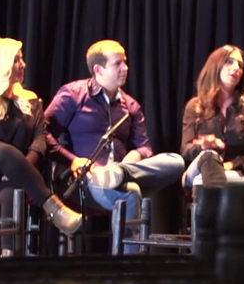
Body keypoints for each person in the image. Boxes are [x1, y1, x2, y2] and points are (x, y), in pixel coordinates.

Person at [44, 40, 185, 249]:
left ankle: (118, 171)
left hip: (121, 174)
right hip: (84, 180)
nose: (125, 68)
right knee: (131, 192)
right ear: (98, 69)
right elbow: (43, 134)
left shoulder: (130, 105)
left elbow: (144, 148)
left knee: (176, 162)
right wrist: (73, 161)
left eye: (125, 62)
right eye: (118, 63)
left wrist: (126, 164)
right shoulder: (73, 95)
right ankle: (128, 267)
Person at [0, 37, 83, 236]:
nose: (23, 64)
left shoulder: (30, 101)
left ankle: (8, 254)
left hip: (16, 173)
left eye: (21, 59)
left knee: (11, 187)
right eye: (16, 60)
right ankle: (55, 209)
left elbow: (40, 141)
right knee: (6, 153)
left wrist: (20, 166)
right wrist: (9, 157)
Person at [180, 45, 244, 192]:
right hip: (199, 170)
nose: (236, 68)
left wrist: (231, 165)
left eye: (240, 65)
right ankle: (211, 163)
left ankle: (214, 185)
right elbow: (185, 150)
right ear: (215, 66)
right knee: (208, 158)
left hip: (237, 174)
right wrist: (203, 146)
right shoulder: (195, 106)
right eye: (229, 61)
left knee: (217, 178)